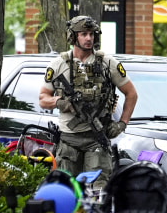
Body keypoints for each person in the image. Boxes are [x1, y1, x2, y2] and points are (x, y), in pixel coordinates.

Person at [39, 15, 138, 188]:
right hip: (68, 139)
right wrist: (59, 102)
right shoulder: (58, 65)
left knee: (97, 191)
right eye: (83, 34)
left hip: (97, 138)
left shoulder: (108, 63)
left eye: (92, 34)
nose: (88, 38)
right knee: (67, 190)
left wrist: (122, 123)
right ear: (73, 37)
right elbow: (42, 98)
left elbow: (131, 94)